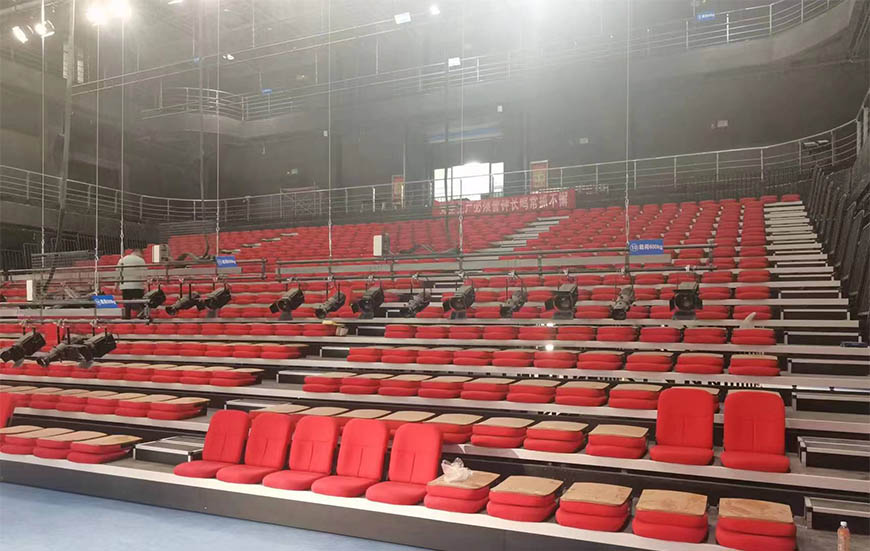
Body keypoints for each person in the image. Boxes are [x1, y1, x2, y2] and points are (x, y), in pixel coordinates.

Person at [117, 248, 147, 319]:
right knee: (139, 301)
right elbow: (144, 274)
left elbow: (118, 273)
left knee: (127, 302)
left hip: (125, 285)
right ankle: (141, 315)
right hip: (137, 285)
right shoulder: (140, 260)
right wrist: (145, 285)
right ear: (139, 252)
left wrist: (116, 285)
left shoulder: (122, 260)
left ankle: (127, 316)